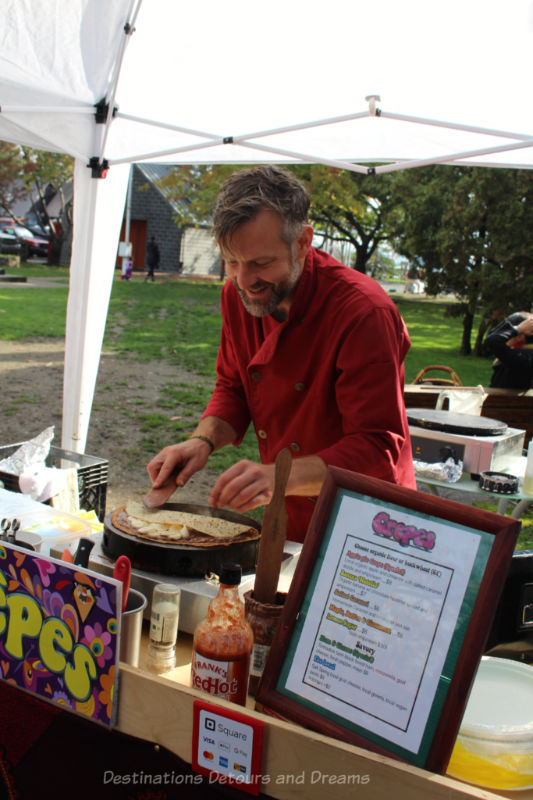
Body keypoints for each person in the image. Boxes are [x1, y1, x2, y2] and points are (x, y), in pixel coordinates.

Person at [147, 166, 416, 543]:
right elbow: (235, 387)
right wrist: (201, 441)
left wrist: (279, 475)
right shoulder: (237, 295)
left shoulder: (363, 312)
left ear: (303, 242)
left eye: (260, 263)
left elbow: (377, 447)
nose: (244, 280)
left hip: (369, 524)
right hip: (288, 514)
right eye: (232, 261)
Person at [485, 311, 533, 390]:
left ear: (520, 336)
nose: (505, 332)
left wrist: (518, 329)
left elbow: (492, 341)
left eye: (507, 329)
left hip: (509, 402)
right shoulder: (525, 354)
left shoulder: (526, 357)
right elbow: (492, 336)